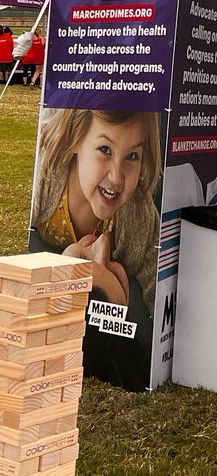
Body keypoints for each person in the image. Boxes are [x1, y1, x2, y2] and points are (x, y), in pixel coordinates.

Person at [29, 108, 162, 388]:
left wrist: (110, 285)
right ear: (75, 140)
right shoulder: (43, 179)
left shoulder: (138, 217)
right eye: (105, 149)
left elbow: (157, 307)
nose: (117, 176)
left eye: (132, 156)